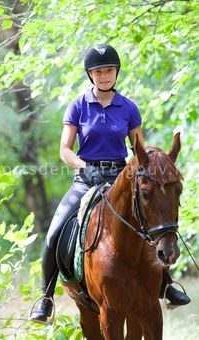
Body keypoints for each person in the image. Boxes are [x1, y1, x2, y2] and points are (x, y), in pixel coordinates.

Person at [30, 44, 190, 324]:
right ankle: (45, 298)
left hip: (122, 177)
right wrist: (84, 167)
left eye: (109, 71)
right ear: (90, 75)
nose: (104, 76)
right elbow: (65, 151)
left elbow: (138, 149)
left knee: (152, 223)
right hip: (85, 179)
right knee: (54, 232)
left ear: (116, 73)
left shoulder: (128, 107)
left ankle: (166, 284)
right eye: (98, 71)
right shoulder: (78, 105)